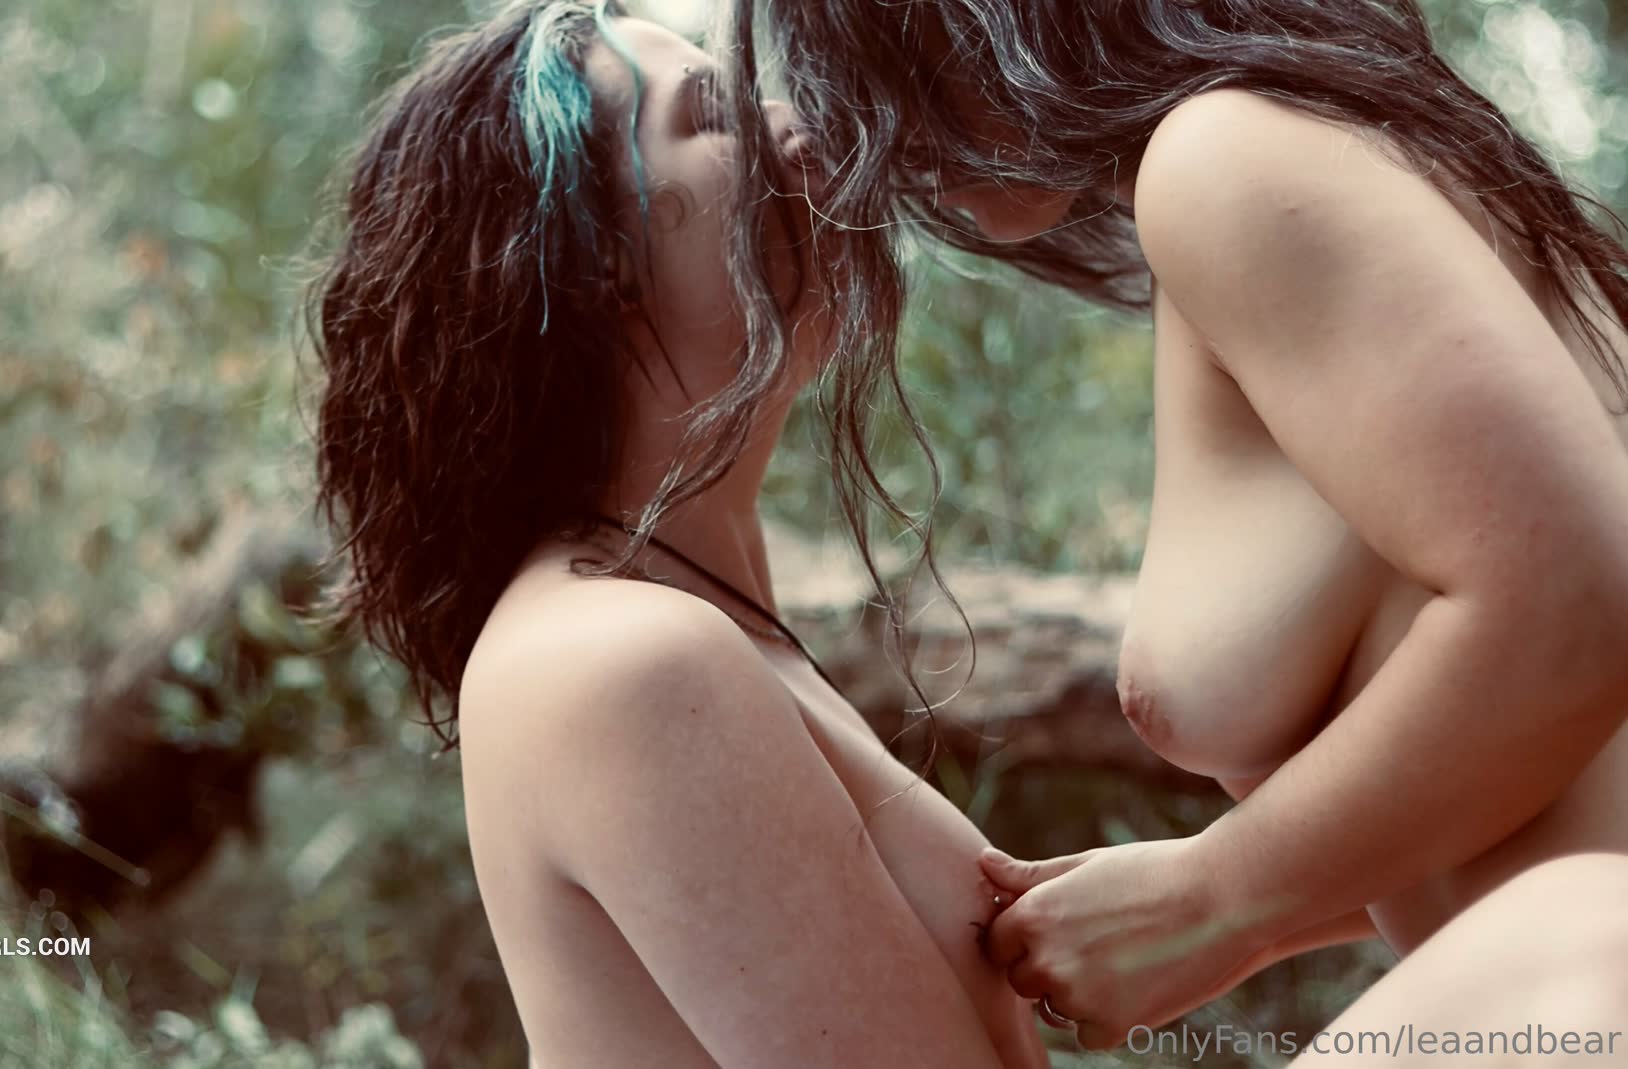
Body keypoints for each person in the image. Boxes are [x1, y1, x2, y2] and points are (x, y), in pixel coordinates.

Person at [717, 0, 1628, 1051]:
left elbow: (1575, 603)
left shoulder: (1229, 159)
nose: (848, 109)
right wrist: (1223, 909)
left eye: (862, 37)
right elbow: (1542, 770)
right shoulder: (1284, 150)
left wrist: (1212, 899)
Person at [308, 2, 1048, 1065]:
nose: (794, 123)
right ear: (591, 256)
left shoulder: (688, 622)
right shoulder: (625, 662)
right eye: (713, 112)